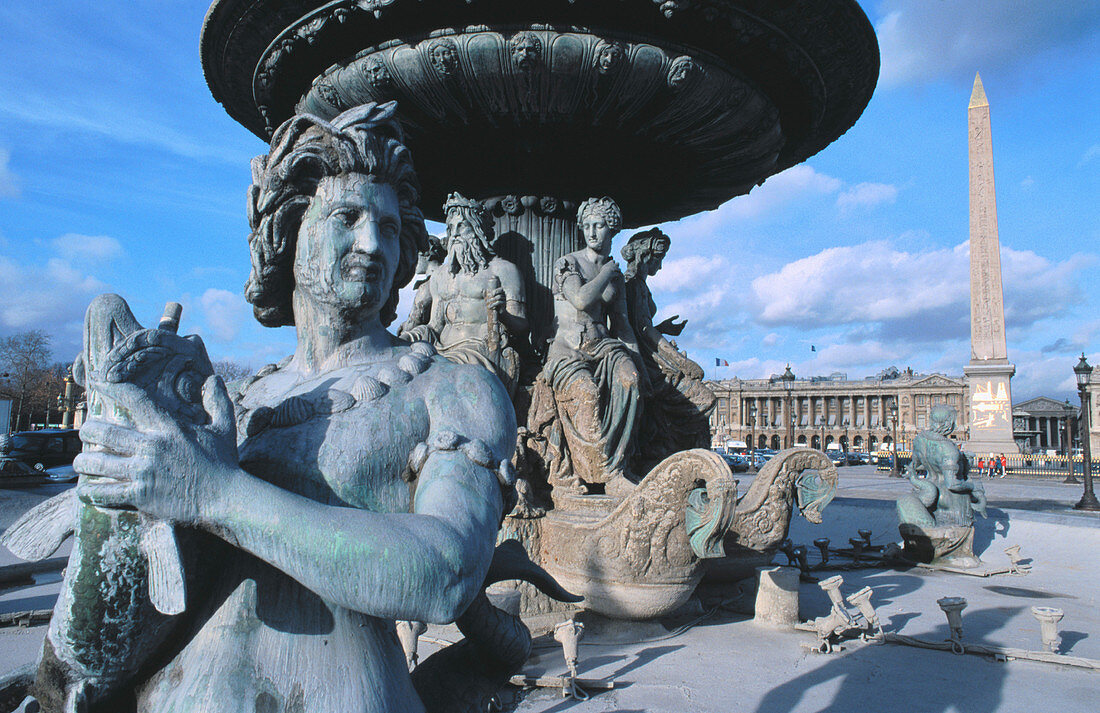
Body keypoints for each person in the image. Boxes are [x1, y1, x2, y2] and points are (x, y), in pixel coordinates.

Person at [72, 103, 517, 712]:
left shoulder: (453, 388)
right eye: (348, 216)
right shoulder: (242, 400)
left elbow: (445, 573)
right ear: (290, 228)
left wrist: (214, 493)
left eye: (389, 228)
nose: (372, 242)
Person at [529, 196, 644, 496]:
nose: (592, 232)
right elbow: (580, 299)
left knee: (630, 380)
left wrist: (641, 366)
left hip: (601, 345)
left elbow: (622, 325)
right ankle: (601, 474)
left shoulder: (615, 278)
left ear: (612, 229)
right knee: (586, 392)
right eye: (588, 226)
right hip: (568, 349)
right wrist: (607, 272)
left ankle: (619, 465)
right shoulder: (568, 263)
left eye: (600, 226)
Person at [398, 193, 527, 396]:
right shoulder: (442, 275)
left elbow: (522, 326)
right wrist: (407, 338)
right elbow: (435, 326)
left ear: (478, 229)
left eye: (462, 226)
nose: (454, 234)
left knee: (440, 380)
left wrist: (502, 313)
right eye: (450, 228)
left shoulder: (503, 271)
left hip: (479, 353)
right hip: (441, 350)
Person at [620, 227, 715, 468]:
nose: (660, 266)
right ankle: (668, 455)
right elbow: (642, 330)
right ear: (644, 255)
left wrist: (662, 327)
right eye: (658, 259)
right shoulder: (634, 285)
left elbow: (643, 326)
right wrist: (682, 362)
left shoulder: (636, 284)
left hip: (647, 354)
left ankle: (666, 451)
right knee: (704, 399)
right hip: (644, 361)